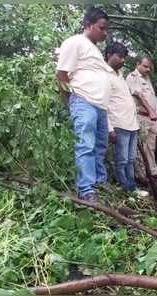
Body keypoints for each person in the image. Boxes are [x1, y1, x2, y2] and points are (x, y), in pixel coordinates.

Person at [56, 7, 111, 201]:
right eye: (102, 28)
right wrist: (70, 101)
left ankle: (99, 184)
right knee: (86, 144)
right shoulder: (74, 42)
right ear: (88, 25)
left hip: (100, 106)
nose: (105, 32)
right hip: (84, 101)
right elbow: (62, 75)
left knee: (100, 147)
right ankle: (86, 189)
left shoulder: (94, 49)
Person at [105, 42, 149, 197]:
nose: (123, 60)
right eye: (119, 56)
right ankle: (126, 191)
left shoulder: (120, 76)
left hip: (132, 125)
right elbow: (103, 105)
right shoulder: (105, 76)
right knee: (122, 160)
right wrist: (110, 129)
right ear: (109, 55)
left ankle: (132, 188)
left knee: (130, 160)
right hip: (119, 125)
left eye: (124, 57)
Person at [126, 56, 157, 183]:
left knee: (150, 147)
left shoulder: (147, 78)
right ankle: (142, 175)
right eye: (145, 66)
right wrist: (150, 111)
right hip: (142, 117)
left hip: (151, 118)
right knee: (142, 147)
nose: (148, 69)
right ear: (137, 64)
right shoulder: (132, 77)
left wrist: (154, 115)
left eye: (149, 67)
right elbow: (139, 95)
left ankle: (153, 172)